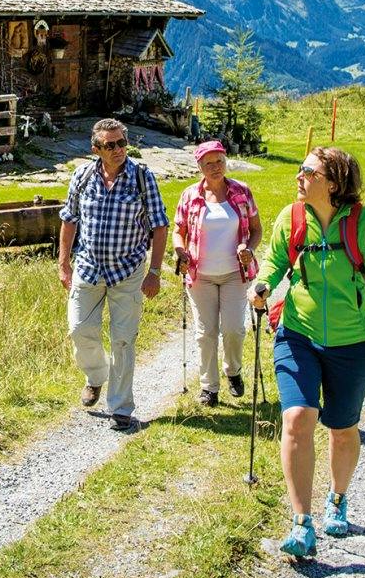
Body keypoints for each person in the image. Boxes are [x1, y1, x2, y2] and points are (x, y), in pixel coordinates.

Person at [254, 146, 365, 558]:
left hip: (353, 342)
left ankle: (337, 499)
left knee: (342, 428)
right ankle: (302, 522)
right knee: (298, 418)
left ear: (334, 184)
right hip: (297, 334)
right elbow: (273, 264)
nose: (299, 176)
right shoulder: (292, 217)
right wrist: (262, 285)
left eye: (308, 171)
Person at [59, 117, 169, 432]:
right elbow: (69, 220)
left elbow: (160, 224)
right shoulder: (82, 176)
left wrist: (155, 272)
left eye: (122, 142)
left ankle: (121, 407)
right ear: (97, 149)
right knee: (79, 329)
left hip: (128, 270)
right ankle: (96, 375)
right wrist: (63, 263)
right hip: (88, 268)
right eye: (111, 145)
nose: (119, 149)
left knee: (123, 340)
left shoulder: (141, 177)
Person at [172, 140, 262, 407]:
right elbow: (178, 229)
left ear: (226, 162)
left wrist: (250, 248)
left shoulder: (242, 191)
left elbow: (257, 229)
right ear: (199, 166)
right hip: (201, 274)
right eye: (208, 163)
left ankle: (233, 371)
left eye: (219, 161)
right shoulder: (190, 195)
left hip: (235, 272)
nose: (215, 168)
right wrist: (180, 250)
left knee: (234, 329)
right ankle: (209, 387)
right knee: (205, 332)